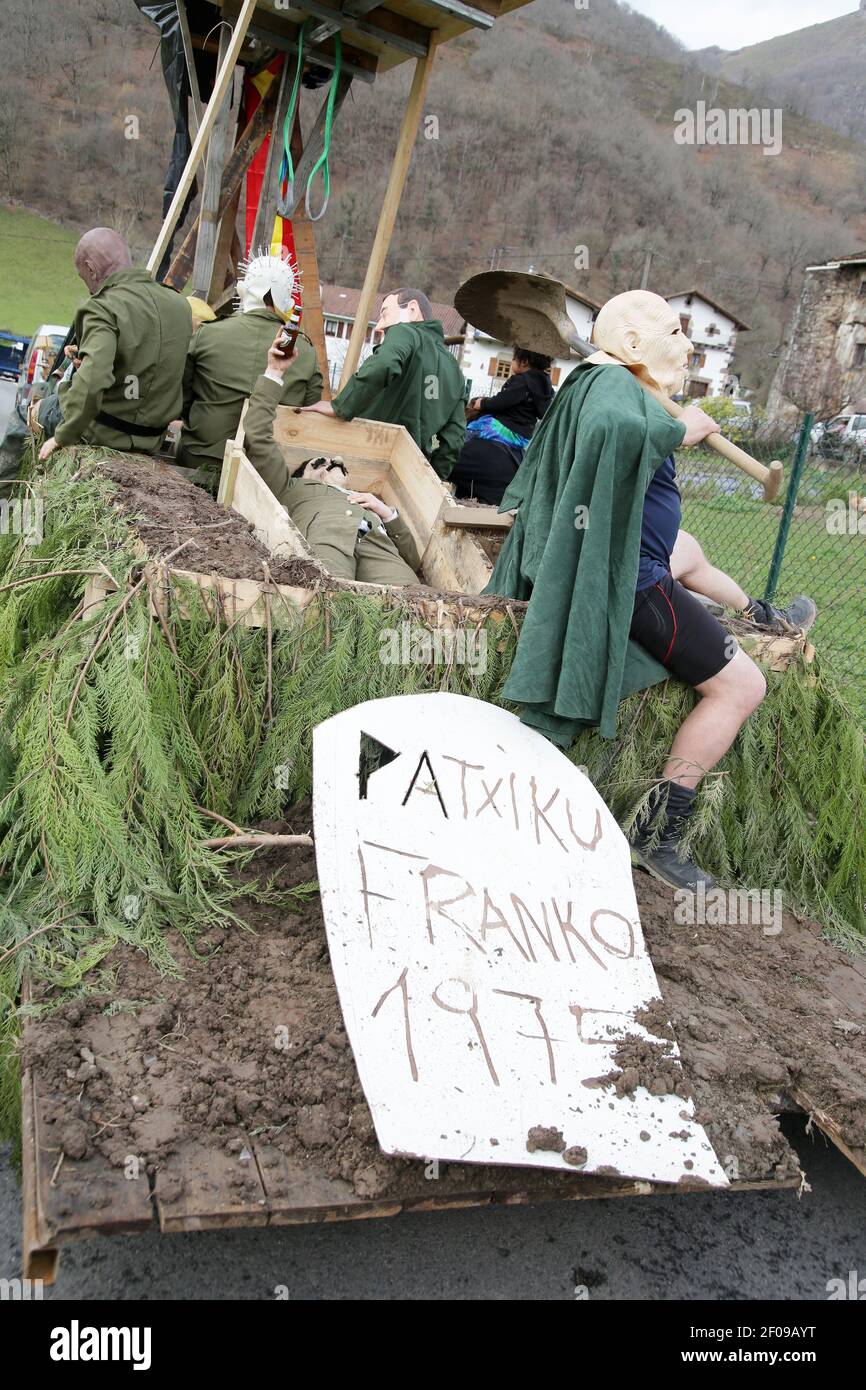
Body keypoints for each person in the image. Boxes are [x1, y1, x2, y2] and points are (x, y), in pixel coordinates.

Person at [485, 289, 816, 892]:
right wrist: (675, 428)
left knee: (691, 550)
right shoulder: (613, 388)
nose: (687, 344)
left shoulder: (615, 378)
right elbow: (613, 431)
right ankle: (658, 834)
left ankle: (762, 614)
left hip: (635, 549)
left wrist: (667, 419)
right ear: (634, 344)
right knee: (744, 686)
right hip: (629, 579)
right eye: (673, 331)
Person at [242, 331, 421, 586]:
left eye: (340, 466)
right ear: (301, 474)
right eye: (320, 462)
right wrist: (274, 371)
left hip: (376, 542)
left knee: (413, 599)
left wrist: (388, 514)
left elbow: (412, 562)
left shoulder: (370, 506)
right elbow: (257, 435)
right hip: (325, 539)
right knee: (329, 600)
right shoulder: (288, 488)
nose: (335, 460)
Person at [38, 229, 192, 462]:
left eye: (84, 277)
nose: (89, 288)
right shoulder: (180, 305)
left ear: (91, 269)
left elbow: (94, 380)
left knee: (28, 408)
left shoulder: (102, 307)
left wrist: (63, 436)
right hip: (152, 436)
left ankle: (9, 493)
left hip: (105, 430)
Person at [178, 252, 322, 482]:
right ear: (288, 297)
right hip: (264, 471)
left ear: (245, 288)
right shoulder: (306, 352)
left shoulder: (208, 334)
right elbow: (307, 417)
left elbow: (182, 397)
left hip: (201, 456)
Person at [297, 288, 466, 479]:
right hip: (407, 472)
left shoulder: (406, 332)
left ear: (412, 310)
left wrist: (342, 406)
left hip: (365, 456)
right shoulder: (455, 371)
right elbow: (454, 439)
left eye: (385, 313)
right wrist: (431, 478)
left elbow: (384, 364)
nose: (379, 326)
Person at [451, 347, 555, 505]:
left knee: (470, 430)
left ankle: (454, 445)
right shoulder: (545, 387)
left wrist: (483, 403)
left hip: (501, 429)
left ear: (524, 361)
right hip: (520, 438)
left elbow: (501, 401)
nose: (511, 361)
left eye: (513, 358)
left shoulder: (520, 381)